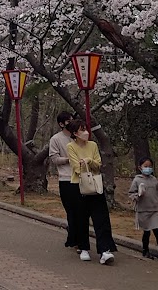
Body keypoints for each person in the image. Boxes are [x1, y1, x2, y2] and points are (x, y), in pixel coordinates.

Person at [66, 119, 117, 264]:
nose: (86, 132)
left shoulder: (93, 145)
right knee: (81, 217)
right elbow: (76, 167)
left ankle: (105, 250)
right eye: (82, 130)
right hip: (78, 185)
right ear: (75, 133)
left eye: (86, 129)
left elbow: (98, 164)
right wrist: (86, 164)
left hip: (95, 185)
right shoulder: (71, 147)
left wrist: (89, 161)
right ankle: (83, 248)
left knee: (101, 218)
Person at [129, 157, 158, 262]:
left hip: (154, 210)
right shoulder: (137, 180)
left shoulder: (154, 180)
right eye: (146, 166)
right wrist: (138, 195)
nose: (148, 168)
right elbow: (131, 194)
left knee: (157, 230)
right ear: (140, 167)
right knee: (147, 231)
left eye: (150, 166)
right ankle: (145, 250)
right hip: (143, 210)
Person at [49, 111, 79, 249]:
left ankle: (78, 238)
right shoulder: (56, 139)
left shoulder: (78, 137)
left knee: (81, 211)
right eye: (68, 121)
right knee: (71, 210)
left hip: (81, 177)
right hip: (66, 179)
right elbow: (54, 159)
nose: (71, 123)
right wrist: (69, 160)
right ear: (61, 124)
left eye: (72, 120)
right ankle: (74, 238)